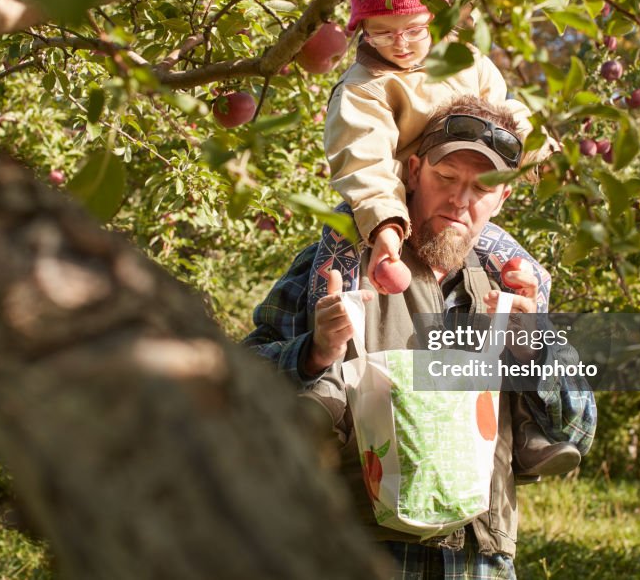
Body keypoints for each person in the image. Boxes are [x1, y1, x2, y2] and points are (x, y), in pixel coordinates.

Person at [246, 96, 596, 578]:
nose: (461, 201)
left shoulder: (511, 288)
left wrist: (533, 344)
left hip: (477, 562)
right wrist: (314, 353)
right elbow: (238, 384)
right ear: (413, 172)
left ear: (503, 198)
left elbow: (576, 431)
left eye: (481, 188)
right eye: (446, 178)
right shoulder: (339, 266)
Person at [320, 0, 557, 295]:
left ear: (434, 20)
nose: (400, 44)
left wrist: (543, 155)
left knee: (532, 279)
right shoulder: (364, 88)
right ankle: (332, 329)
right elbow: (366, 163)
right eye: (382, 33)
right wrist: (386, 229)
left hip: (448, 210)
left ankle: (528, 335)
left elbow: (505, 113)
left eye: (414, 30)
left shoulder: (464, 61)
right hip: (391, 204)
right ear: (362, 29)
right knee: (341, 260)